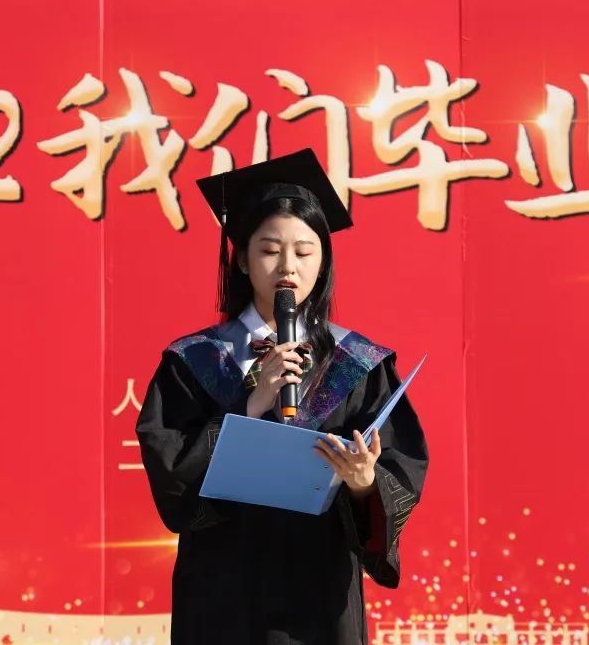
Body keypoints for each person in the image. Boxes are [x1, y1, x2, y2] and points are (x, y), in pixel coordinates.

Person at [135, 149, 430, 645]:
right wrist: (250, 403)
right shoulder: (195, 361)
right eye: (270, 250)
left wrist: (364, 483)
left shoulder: (359, 364)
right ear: (243, 260)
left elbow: (399, 471)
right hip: (222, 595)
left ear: (323, 261)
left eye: (304, 251)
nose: (287, 266)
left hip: (320, 598)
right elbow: (172, 475)